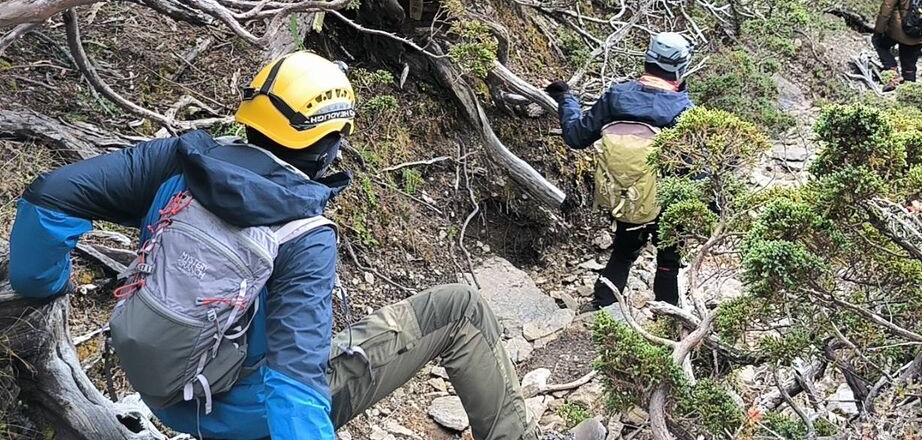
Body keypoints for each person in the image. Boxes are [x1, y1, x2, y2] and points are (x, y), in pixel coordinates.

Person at [9, 51, 603, 440]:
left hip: (161, 382)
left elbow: (48, 197)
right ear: (329, 141)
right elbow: (295, 390)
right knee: (460, 310)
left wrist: (43, 284)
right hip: (238, 411)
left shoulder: (179, 160)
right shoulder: (305, 234)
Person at [545, 32, 695, 311]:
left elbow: (576, 136)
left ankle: (603, 310)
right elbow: (696, 170)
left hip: (626, 194)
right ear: (680, 67)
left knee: (624, 251)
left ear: (648, 60)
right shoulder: (683, 110)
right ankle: (668, 323)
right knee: (668, 263)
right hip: (667, 199)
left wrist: (565, 98)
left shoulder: (617, 96)